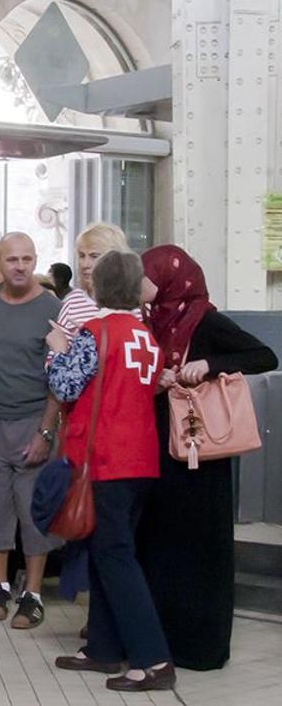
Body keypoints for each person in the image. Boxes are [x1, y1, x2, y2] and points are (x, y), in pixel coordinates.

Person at [136, 245, 278, 671]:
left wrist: (208, 363)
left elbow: (262, 355)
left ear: (169, 277)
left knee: (200, 550)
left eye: (148, 274)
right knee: (159, 544)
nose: (141, 282)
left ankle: (200, 645)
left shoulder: (204, 319)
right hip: (160, 449)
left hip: (202, 457)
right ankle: (161, 638)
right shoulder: (151, 321)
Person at [46, 251, 175, 692]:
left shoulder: (93, 333)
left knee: (116, 556)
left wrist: (58, 351)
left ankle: (153, 660)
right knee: (109, 552)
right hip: (141, 458)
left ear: (96, 289)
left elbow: (65, 385)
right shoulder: (146, 336)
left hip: (104, 459)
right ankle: (102, 647)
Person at [0, 232, 62, 629]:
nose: (19, 266)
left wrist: (45, 432)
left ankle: (33, 594)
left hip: (32, 420)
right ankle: (0, 587)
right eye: (12, 260)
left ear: (35, 261)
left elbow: (59, 377)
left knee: (33, 510)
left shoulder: (51, 307)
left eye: (26, 259)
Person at [58, 224, 130, 339]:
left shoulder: (132, 304)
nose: (85, 264)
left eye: (94, 256)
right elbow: (57, 353)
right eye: (81, 256)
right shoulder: (72, 302)